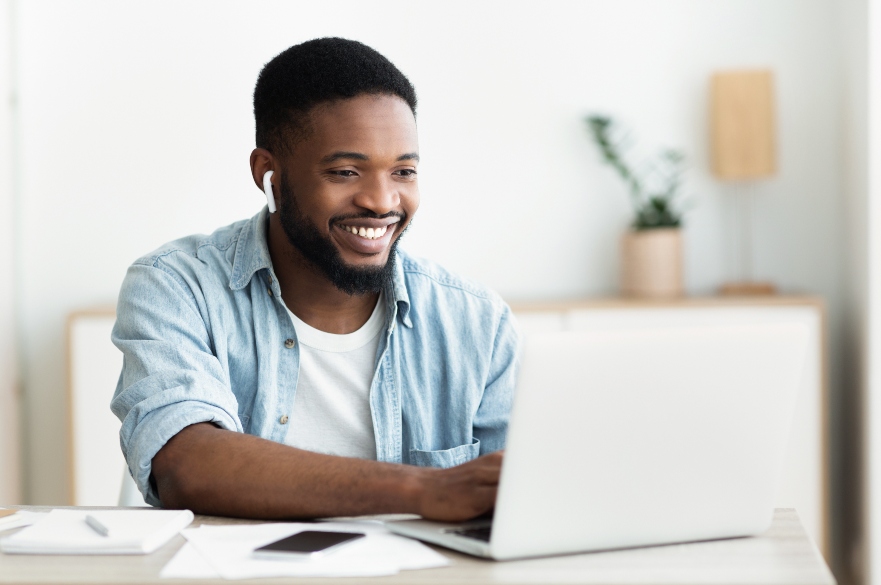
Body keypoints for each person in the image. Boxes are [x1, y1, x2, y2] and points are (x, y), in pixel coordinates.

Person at [110, 37, 519, 521]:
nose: (382, 201)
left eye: (403, 171)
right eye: (346, 171)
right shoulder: (177, 288)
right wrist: (423, 489)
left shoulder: (475, 320)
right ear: (269, 174)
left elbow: (522, 496)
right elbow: (186, 464)